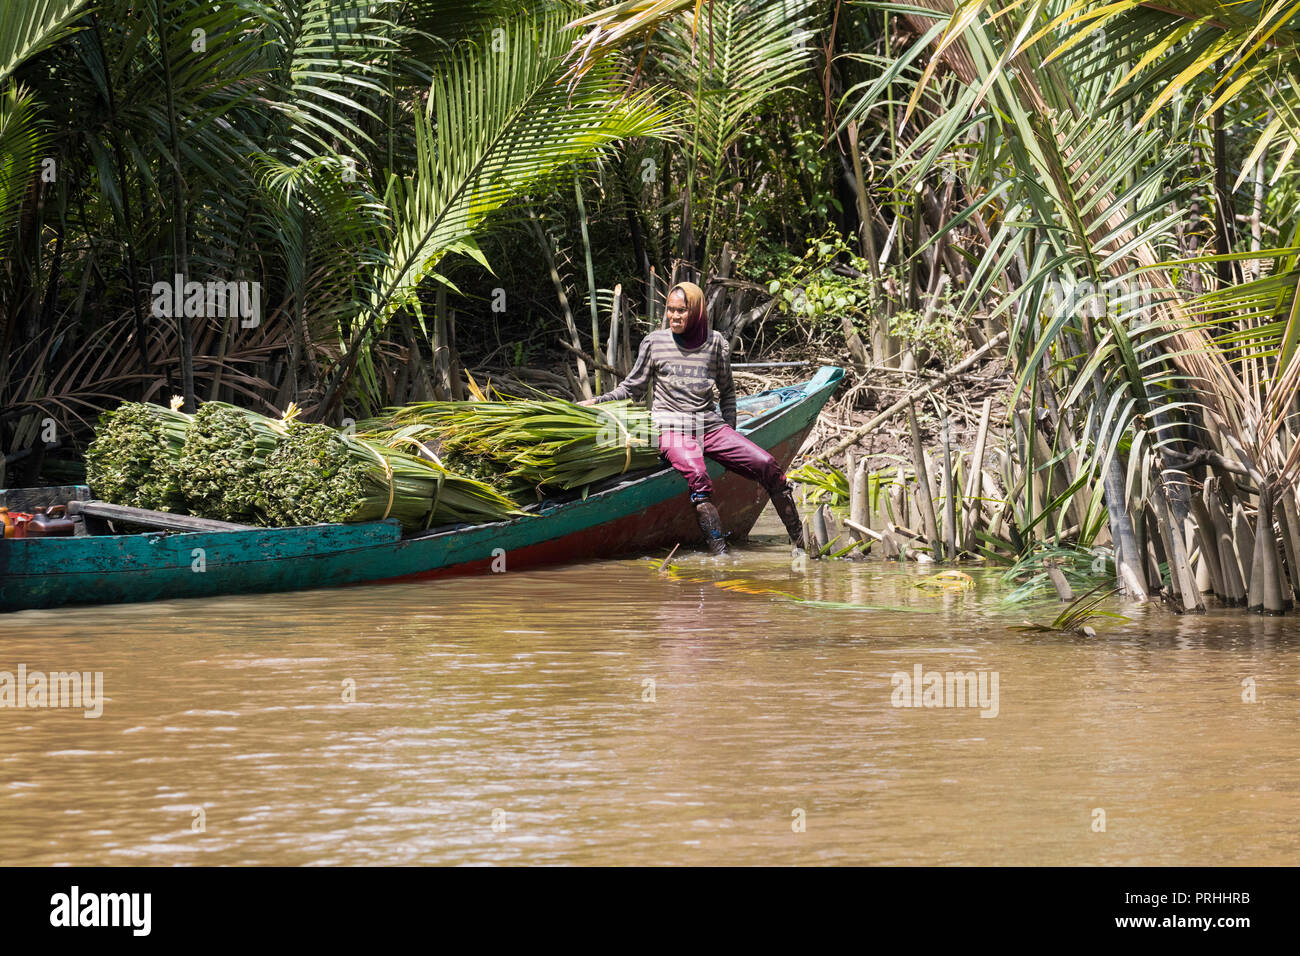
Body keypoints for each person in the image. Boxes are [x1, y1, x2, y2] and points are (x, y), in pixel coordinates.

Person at [580, 281, 806, 555]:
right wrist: (597, 402)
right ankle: (721, 556)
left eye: (681, 311)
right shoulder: (655, 343)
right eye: (670, 310)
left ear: (697, 312)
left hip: (710, 427)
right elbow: (631, 388)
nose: (674, 316)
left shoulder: (715, 344)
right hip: (669, 428)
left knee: (768, 464)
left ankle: (802, 543)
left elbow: (728, 393)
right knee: (698, 474)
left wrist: (730, 433)